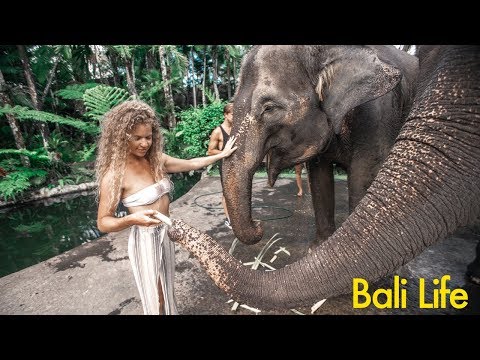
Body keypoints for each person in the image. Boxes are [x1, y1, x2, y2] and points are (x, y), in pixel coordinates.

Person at [95, 100, 237, 315]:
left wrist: (221, 155)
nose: (144, 143)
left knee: (168, 290)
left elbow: (190, 164)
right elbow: (103, 222)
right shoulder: (115, 175)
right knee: (156, 295)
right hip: (145, 238)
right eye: (137, 138)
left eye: (148, 137)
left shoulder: (156, 160)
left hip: (166, 233)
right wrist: (132, 219)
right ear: (122, 136)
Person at [207, 103, 233, 229]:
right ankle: (229, 219)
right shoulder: (218, 131)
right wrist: (225, 153)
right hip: (225, 165)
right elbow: (210, 151)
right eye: (233, 114)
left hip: (238, 165)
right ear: (225, 115)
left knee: (238, 191)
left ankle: (238, 216)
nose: (235, 117)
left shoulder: (237, 128)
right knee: (227, 193)